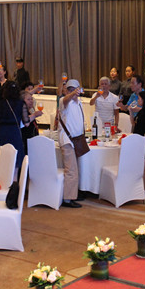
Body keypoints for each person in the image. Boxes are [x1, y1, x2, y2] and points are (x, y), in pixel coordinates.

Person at [118, 75, 145, 196]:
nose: (138, 101)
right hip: (138, 138)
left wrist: (143, 144)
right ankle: (138, 187)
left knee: (144, 163)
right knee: (138, 163)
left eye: (139, 99)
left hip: (143, 141)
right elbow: (133, 123)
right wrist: (130, 111)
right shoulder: (141, 111)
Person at [57, 79, 85, 208]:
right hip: (67, 140)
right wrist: (72, 94)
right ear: (67, 91)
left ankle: (73, 194)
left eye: (75, 89)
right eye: (70, 90)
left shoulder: (79, 103)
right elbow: (66, 100)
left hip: (77, 140)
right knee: (71, 170)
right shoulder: (63, 101)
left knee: (75, 169)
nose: (73, 92)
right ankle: (68, 199)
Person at [0, 81, 28, 172]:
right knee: (15, 165)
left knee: (2, 163)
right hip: (15, 133)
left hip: (2, 133)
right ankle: (13, 181)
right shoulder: (21, 104)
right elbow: (26, 123)